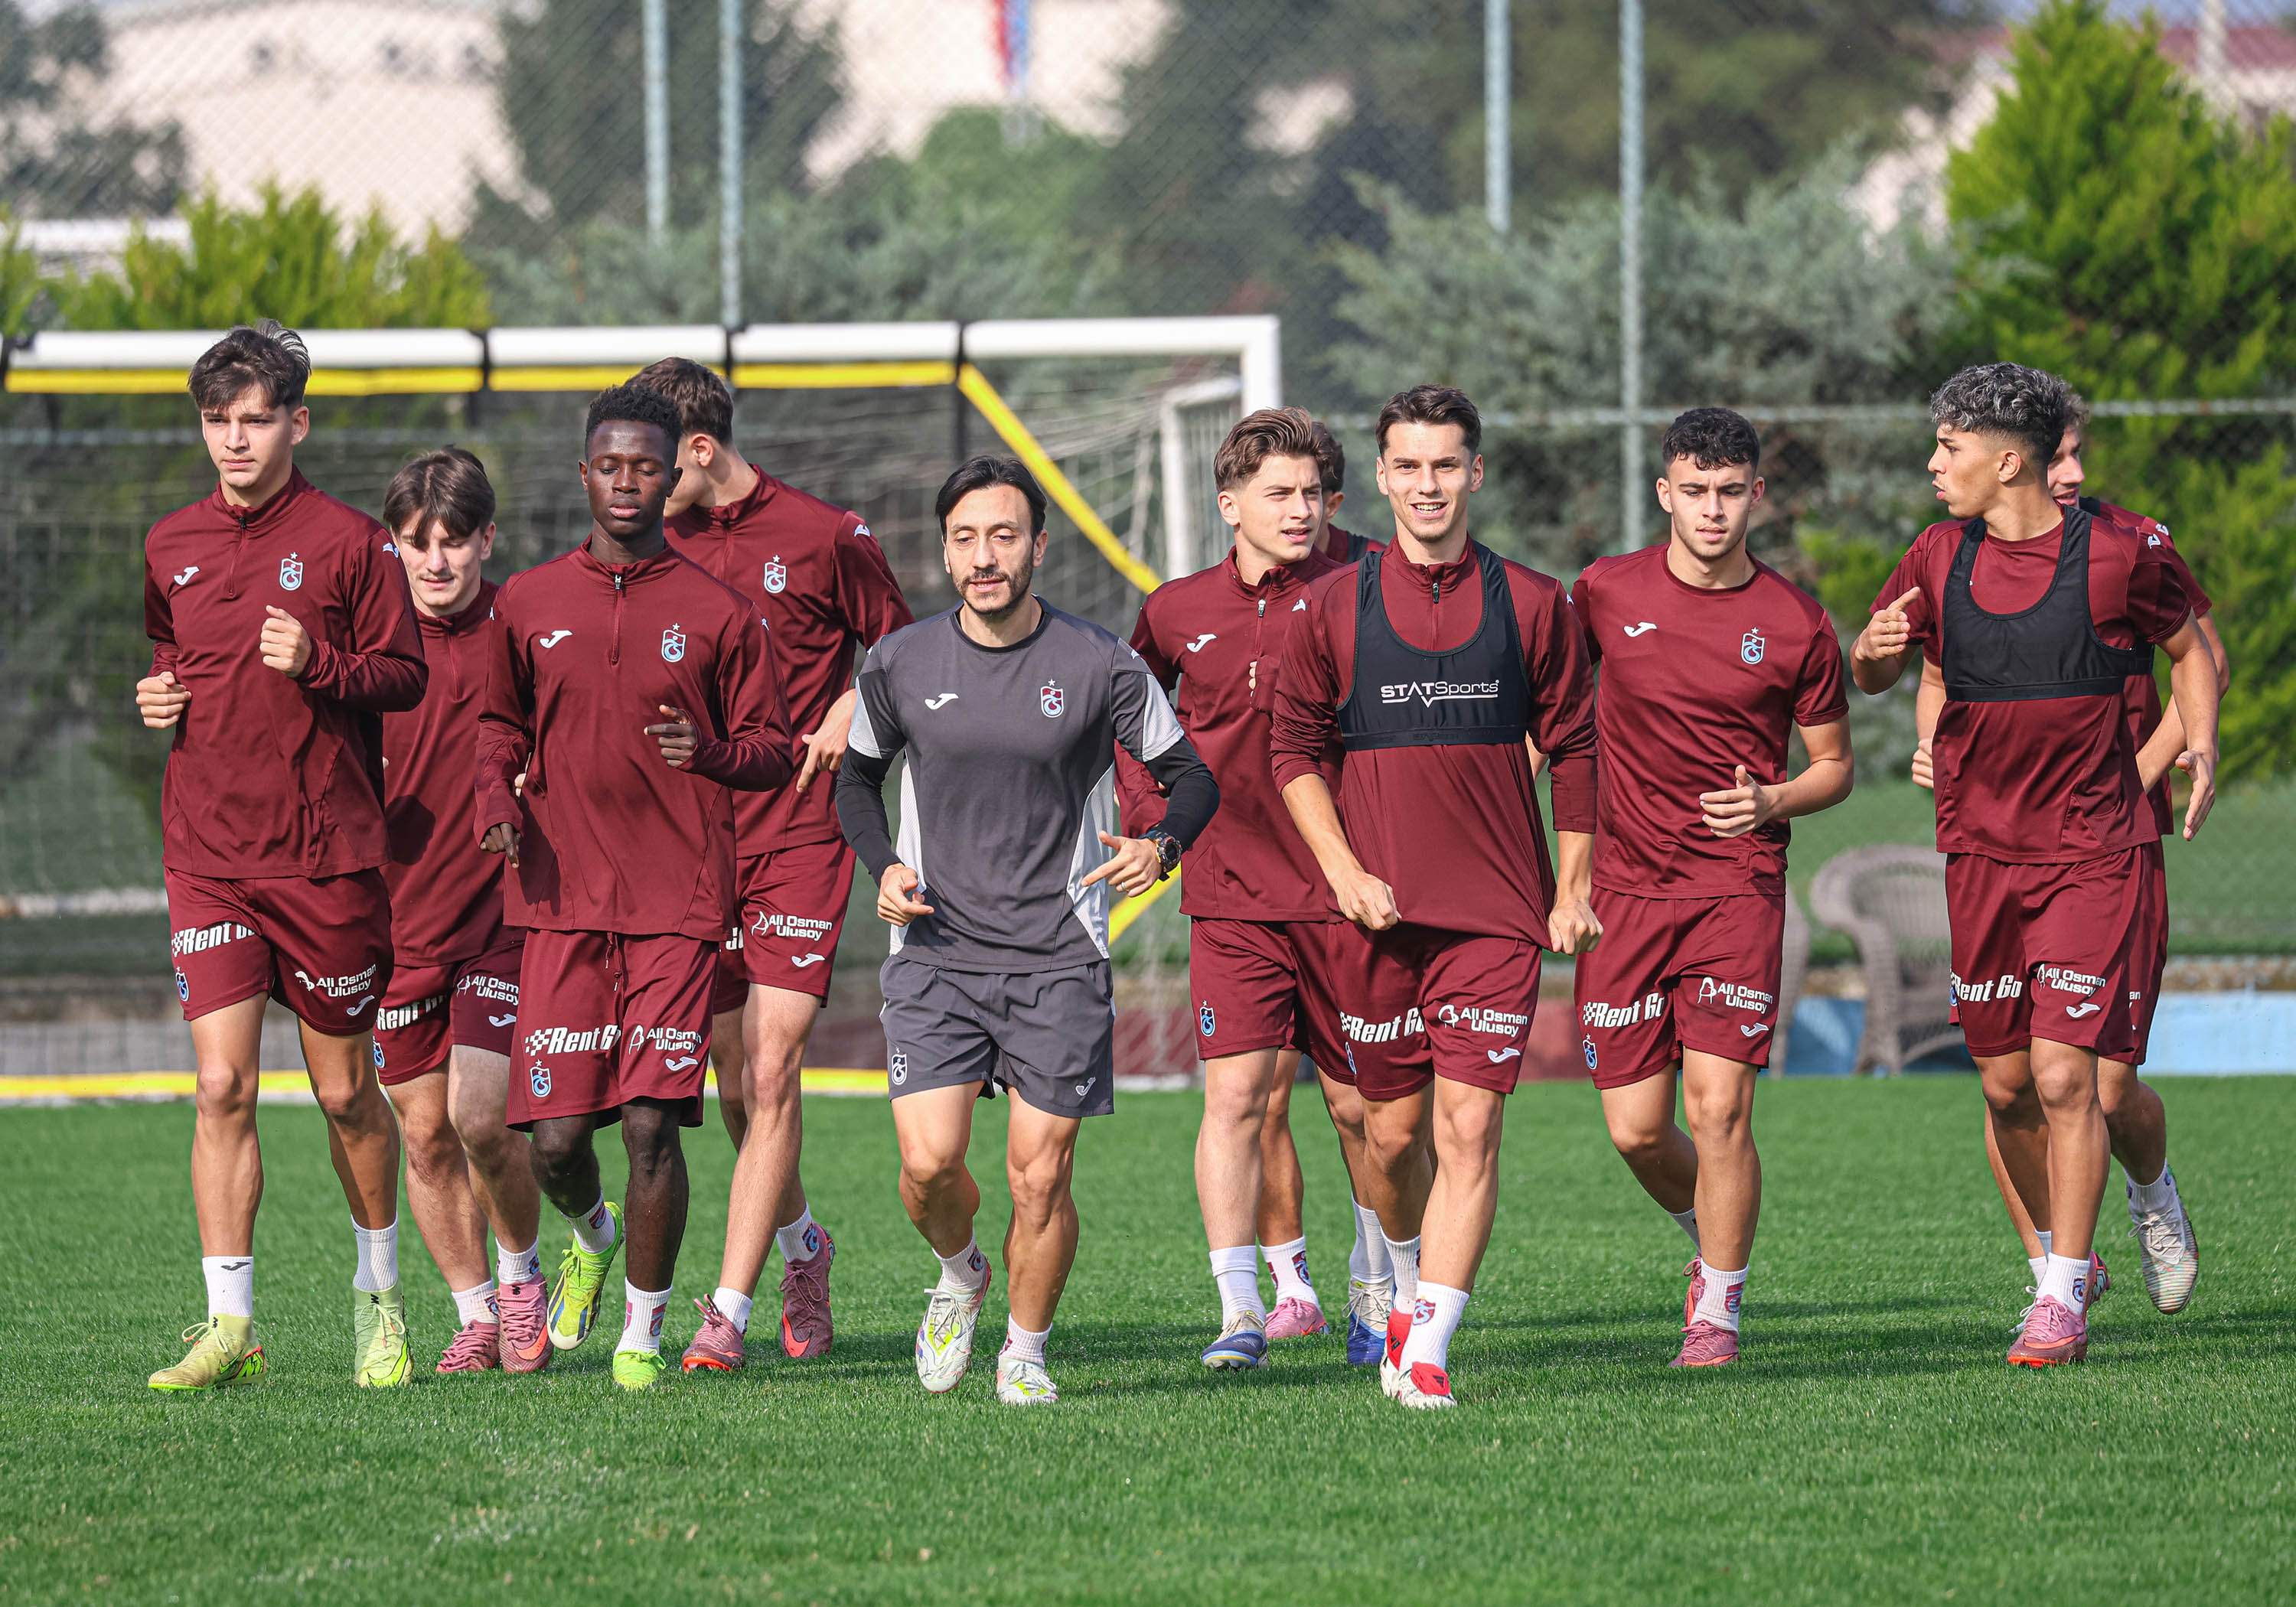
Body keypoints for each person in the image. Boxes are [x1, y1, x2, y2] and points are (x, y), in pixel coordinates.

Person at [1851, 363, 2219, 1367]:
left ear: (2008, 459)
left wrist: (2201, 740)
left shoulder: (2118, 554)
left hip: (2095, 852)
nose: (1934, 465)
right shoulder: (1934, 554)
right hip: (1980, 855)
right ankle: (2088, 1242)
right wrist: (1874, 649)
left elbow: (2192, 652)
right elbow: (1879, 671)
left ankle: (2060, 1294)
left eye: (1950, 448)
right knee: (2008, 1084)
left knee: (2076, 1079)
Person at [837, 456, 1218, 1406]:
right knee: (928, 1167)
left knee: (1038, 1178)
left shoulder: (1099, 663)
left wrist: (1161, 848)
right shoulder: (901, 662)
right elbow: (855, 782)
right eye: (965, 538)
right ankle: (963, 1273)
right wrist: (883, 866)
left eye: (1004, 536)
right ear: (945, 551)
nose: (985, 555)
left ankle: (1025, 1352)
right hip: (935, 951)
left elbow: (1195, 778)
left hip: (1060, 956)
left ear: (1038, 546)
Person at [1271, 384, 1601, 1409]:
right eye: (1408, 467)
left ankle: (1429, 1349)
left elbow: (1582, 748)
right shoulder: (1332, 604)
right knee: (1388, 1135)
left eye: (1446, 465)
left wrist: (1569, 889)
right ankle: (1405, 1285)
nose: (1428, 485)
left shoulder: (1536, 603)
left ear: (1476, 474)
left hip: (1496, 915)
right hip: (1372, 919)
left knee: (1468, 1133)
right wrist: (1344, 874)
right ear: (1379, 477)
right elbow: (1293, 751)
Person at [475, 383, 797, 1390]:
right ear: (585, 475)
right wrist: (497, 792)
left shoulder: (718, 612)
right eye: (610, 466)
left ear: (674, 476)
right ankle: (592, 1233)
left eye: (646, 467)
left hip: (676, 908)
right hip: (561, 906)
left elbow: (773, 750)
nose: (628, 482)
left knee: (655, 1123)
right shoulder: (526, 601)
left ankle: (641, 1335)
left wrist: (707, 752)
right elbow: (496, 725)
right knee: (561, 1140)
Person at [139, 321, 428, 1391]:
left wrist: (323, 663)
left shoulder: (354, 544)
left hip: (325, 859)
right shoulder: (169, 542)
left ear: (297, 424)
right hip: (208, 853)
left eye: (256, 419)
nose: (235, 440)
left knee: (348, 1094)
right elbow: (171, 654)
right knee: (220, 1086)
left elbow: (404, 679)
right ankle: (230, 1324)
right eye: (218, 421)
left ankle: (381, 1299)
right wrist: (158, 693)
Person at [637, 357, 915, 1375]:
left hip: (800, 832)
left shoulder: (825, 536)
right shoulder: (655, 547)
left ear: (701, 451)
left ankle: (729, 1310)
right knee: (735, 1090)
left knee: (771, 1063)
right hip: (692, 840)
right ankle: (807, 1246)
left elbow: (902, 648)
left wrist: (853, 701)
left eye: (654, 462)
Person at [1570, 408, 1854, 1368]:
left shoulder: (1795, 620)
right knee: (1636, 1129)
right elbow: (1556, 722)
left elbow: (1835, 768)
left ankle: (1719, 1307)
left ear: (1757, 497)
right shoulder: (1605, 593)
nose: (1713, 510)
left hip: (1736, 889)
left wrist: (1775, 798)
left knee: (1719, 1110)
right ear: (1665, 494)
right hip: (1622, 893)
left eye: (1731, 492)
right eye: (1695, 491)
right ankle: (1710, 1234)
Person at [1115, 407, 1390, 1370]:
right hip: (1230, 894)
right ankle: (1241, 1307)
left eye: (1315, 493)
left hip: (1353, 891)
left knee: (1361, 1113)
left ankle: (1375, 1284)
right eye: (1279, 493)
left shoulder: (1375, 583)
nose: (1301, 509)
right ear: (1231, 503)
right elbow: (1128, 716)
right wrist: (1158, 826)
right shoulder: (1175, 609)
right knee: (1235, 1102)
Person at [372, 448, 546, 1374]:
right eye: (416, 542)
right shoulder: (367, 645)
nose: (436, 563)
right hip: (393, 927)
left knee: (481, 1117)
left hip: (502, 919)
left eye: (454, 542)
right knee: (425, 1132)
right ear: (394, 543)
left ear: (488, 538)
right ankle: (474, 1315)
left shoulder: (521, 628)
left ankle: (521, 1284)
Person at [1310, 419, 1379, 565]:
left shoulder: (1374, 568)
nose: (1297, 511)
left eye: (1310, 494)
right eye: (1280, 493)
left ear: (1331, 506)